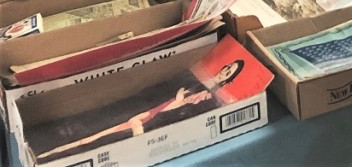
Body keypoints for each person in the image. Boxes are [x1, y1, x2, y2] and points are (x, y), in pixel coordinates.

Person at [35, 60, 245, 160]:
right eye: (226, 67)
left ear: (229, 80)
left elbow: (166, 136)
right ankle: (40, 157)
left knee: (86, 146)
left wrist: (138, 131)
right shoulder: (191, 85)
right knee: (82, 140)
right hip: (133, 119)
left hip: (135, 133)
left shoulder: (210, 103)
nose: (224, 71)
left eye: (229, 72)